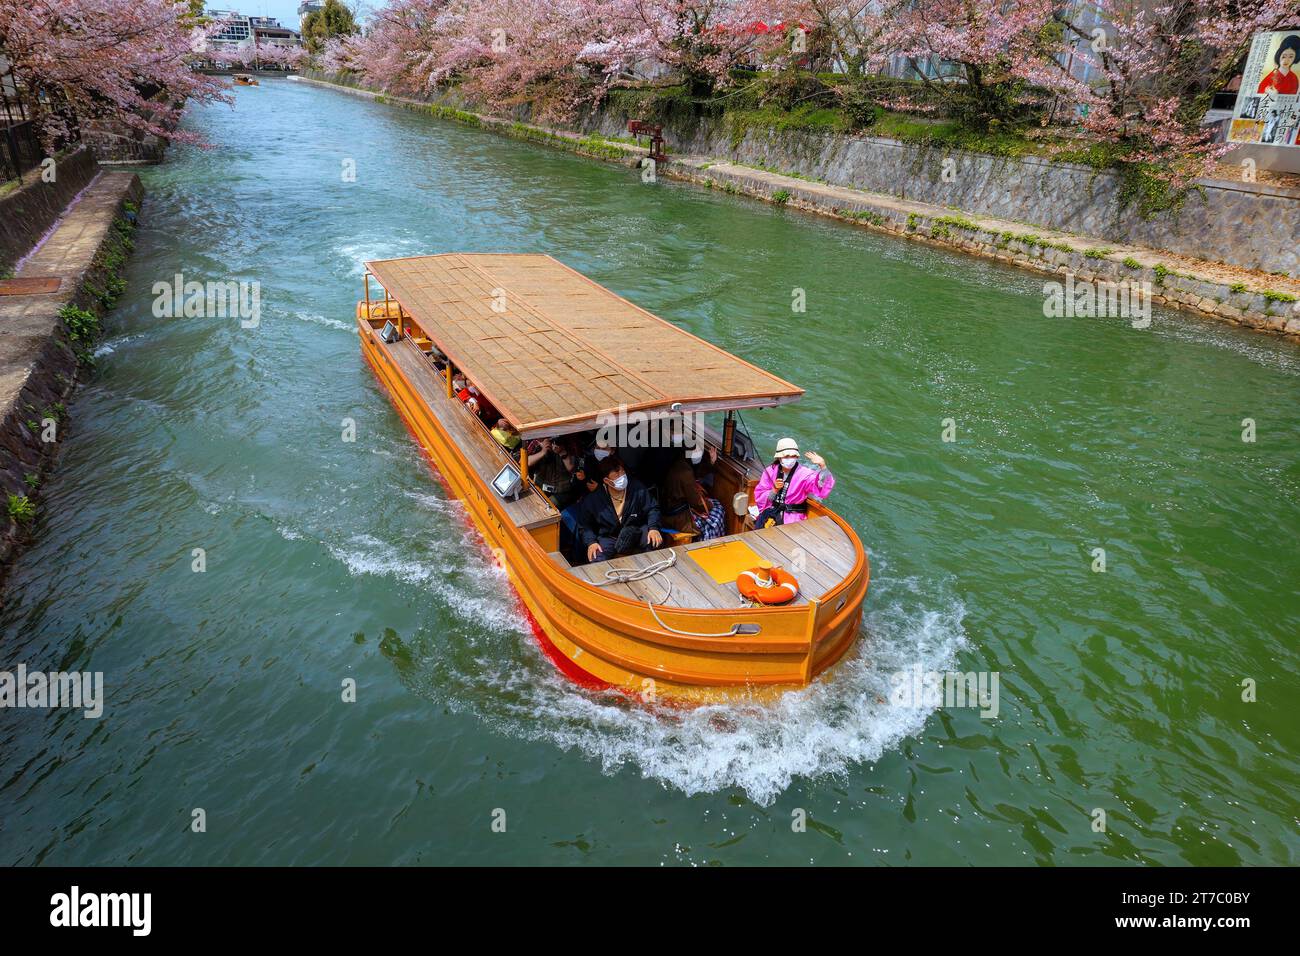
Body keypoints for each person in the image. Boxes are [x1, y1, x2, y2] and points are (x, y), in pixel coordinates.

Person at [577, 455, 663, 563]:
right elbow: (585, 525)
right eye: (617, 476)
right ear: (606, 481)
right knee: (596, 557)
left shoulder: (637, 487)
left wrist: (653, 528)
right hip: (609, 537)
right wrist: (591, 542)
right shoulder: (594, 499)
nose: (621, 477)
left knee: (653, 541)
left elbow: (652, 508)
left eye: (622, 472)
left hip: (636, 530)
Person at [753, 437, 833, 527]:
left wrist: (823, 466)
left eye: (793, 456)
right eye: (786, 456)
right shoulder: (770, 471)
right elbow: (760, 496)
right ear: (779, 457)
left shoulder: (805, 475)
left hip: (792, 517)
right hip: (771, 511)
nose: (790, 459)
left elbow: (821, 488)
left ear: (797, 457)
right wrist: (774, 490)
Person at [660, 445, 726, 540]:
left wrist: (711, 463)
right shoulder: (685, 473)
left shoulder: (679, 463)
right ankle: (708, 543)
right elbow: (697, 503)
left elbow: (696, 472)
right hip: (677, 518)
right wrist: (710, 505)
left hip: (668, 510)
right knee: (717, 514)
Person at [528, 437, 577, 509]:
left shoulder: (569, 444)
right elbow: (527, 462)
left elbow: (570, 468)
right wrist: (543, 452)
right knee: (532, 503)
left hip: (561, 490)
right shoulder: (536, 443)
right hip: (540, 485)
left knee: (545, 508)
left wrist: (561, 452)